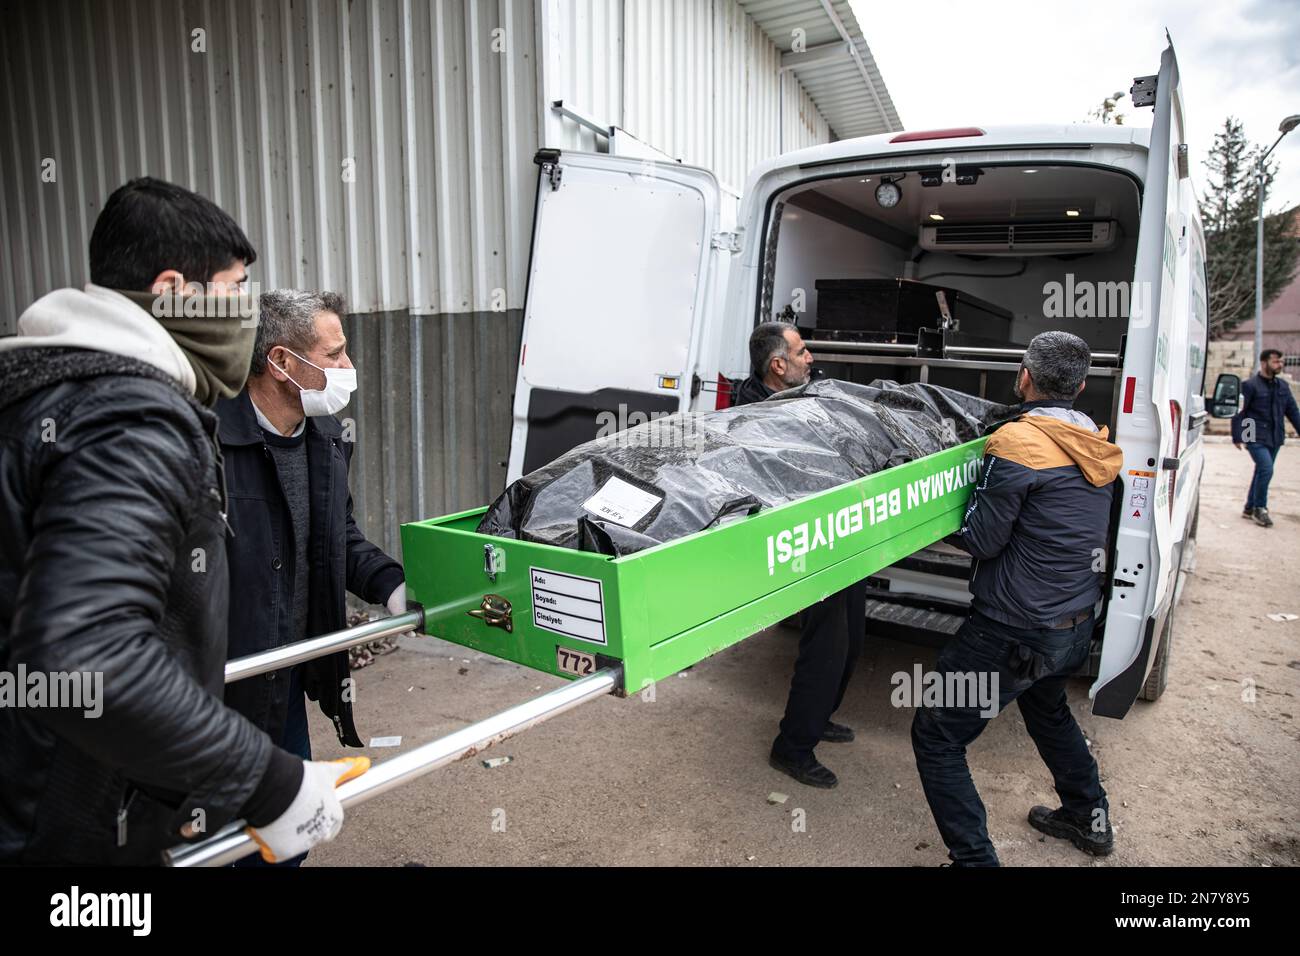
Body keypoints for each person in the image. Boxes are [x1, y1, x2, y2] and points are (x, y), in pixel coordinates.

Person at [0, 177, 364, 865]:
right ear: (175, 289)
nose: (247, 319)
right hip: (67, 822)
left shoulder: (38, 389)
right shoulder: (127, 419)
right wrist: (270, 784)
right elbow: (88, 653)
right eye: (236, 289)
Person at [911, 330, 1122, 867]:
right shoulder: (1096, 441)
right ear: (1078, 386)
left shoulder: (1016, 444)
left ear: (1024, 376)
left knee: (937, 733)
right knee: (1047, 709)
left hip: (1012, 628)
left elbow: (983, 539)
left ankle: (976, 862)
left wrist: (922, 520)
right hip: (1072, 624)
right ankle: (1087, 814)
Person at [216, 289, 405, 866]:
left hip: (287, 680)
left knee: (289, 840)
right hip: (219, 694)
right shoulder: (212, 445)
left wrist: (393, 585)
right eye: (336, 354)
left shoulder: (325, 440)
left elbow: (337, 540)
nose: (349, 369)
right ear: (280, 362)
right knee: (218, 847)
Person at [734, 321, 866, 789]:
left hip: (838, 534)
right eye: (802, 351)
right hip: (804, 543)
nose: (811, 357)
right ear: (778, 365)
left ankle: (820, 715)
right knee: (826, 645)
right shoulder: (752, 414)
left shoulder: (807, 395)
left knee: (852, 636)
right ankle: (793, 747)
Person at [1231, 348, 1300, 528]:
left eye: (1281, 361)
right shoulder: (1250, 385)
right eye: (1276, 361)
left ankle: (1248, 507)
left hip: (1275, 436)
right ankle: (1260, 508)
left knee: (1261, 470)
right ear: (1264, 363)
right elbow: (1240, 412)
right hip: (1254, 435)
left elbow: (1293, 411)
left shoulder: (1283, 386)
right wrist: (1237, 436)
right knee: (1266, 469)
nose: (1280, 364)